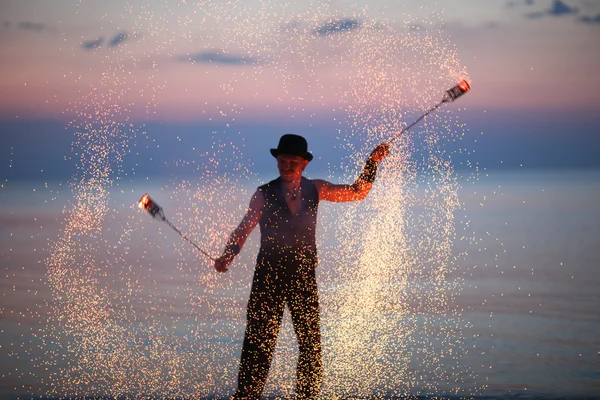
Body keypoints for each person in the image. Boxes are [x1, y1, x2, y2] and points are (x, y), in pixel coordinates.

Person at [215, 134, 389, 399]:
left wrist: (372, 163)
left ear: (304, 164)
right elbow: (244, 228)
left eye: (292, 162)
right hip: (268, 276)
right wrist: (228, 255)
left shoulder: (316, 189)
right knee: (258, 346)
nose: (286, 166)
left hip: (302, 275)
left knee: (311, 345)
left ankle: (307, 397)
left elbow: (358, 193)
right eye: (282, 161)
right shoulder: (263, 194)